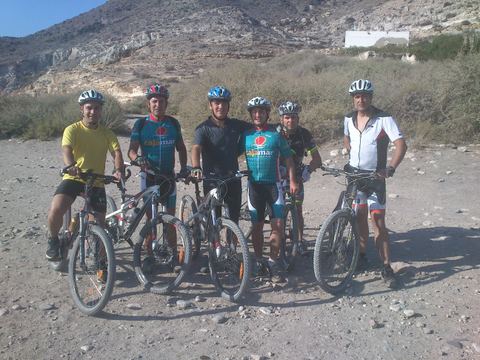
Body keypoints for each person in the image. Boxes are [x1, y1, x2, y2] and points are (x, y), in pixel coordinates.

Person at [343, 79, 407, 289]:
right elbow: (346, 137)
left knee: (378, 221)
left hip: (376, 178)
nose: (361, 100)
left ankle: (386, 266)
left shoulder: (384, 118)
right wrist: (348, 150)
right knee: (359, 216)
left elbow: (401, 145)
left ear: (371, 97)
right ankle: (361, 255)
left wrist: (390, 168)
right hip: (355, 176)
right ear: (353, 99)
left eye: (365, 96)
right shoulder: (348, 118)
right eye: (357, 96)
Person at [46, 89, 124, 261]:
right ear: (82, 109)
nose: (93, 112)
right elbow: (67, 150)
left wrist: (118, 170)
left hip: (96, 181)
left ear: (101, 110)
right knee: (56, 209)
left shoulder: (107, 133)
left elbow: (116, 153)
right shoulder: (72, 129)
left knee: (99, 226)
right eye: (89, 108)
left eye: (97, 108)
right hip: (74, 177)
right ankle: (53, 240)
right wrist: (71, 166)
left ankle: (100, 261)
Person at [128, 83, 188, 265]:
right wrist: (137, 159)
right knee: (150, 219)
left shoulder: (173, 123)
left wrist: (184, 167)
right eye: (154, 101)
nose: (158, 104)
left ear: (166, 103)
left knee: (170, 219)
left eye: (161, 101)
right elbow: (131, 150)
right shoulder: (141, 124)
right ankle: (149, 256)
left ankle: (171, 255)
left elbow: (181, 148)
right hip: (149, 177)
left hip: (168, 176)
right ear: (148, 104)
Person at [241, 96, 299, 283]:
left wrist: (292, 181)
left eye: (261, 111)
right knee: (256, 227)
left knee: (278, 226)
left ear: (267, 114)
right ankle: (259, 260)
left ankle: (273, 261)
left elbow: (289, 159)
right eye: (255, 112)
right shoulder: (246, 135)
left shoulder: (276, 135)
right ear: (251, 114)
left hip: (274, 186)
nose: (258, 115)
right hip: (254, 187)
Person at [191, 85, 251, 224]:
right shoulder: (203, 128)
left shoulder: (236, 125)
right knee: (214, 219)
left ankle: (231, 245)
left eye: (224, 103)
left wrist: (276, 128)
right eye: (217, 103)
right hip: (211, 179)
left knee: (234, 219)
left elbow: (257, 127)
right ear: (210, 106)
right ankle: (214, 244)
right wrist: (196, 167)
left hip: (233, 178)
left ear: (228, 105)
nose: (220, 106)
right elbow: (195, 148)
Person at [276, 101, 323, 252]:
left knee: (297, 209)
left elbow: (317, 159)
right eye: (287, 117)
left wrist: (308, 170)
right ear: (281, 119)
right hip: (276, 176)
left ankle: (299, 240)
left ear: (298, 118)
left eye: (294, 117)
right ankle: (279, 239)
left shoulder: (304, 135)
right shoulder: (274, 133)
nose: (290, 121)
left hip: (296, 176)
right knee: (277, 211)